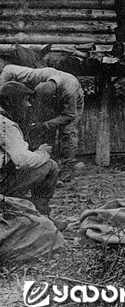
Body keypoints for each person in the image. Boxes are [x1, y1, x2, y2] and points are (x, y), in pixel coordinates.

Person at [0, 64, 84, 182]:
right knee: (35, 125)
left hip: (72, 106)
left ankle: (67, 169)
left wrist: (45, 124)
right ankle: (39, 159)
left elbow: (69, 115)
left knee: (68, 132)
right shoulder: (39, 75)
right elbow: (9, 69)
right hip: (49, 102)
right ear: (39, 83)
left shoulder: (70, 91)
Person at [0, 81, 59, 216]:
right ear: (10, 102)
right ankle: (42, 216)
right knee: (50, 166)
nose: (29, 105)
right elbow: (23, 160)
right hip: (2, 183)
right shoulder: (6, 125)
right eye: (25, 100)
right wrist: (42, 153)